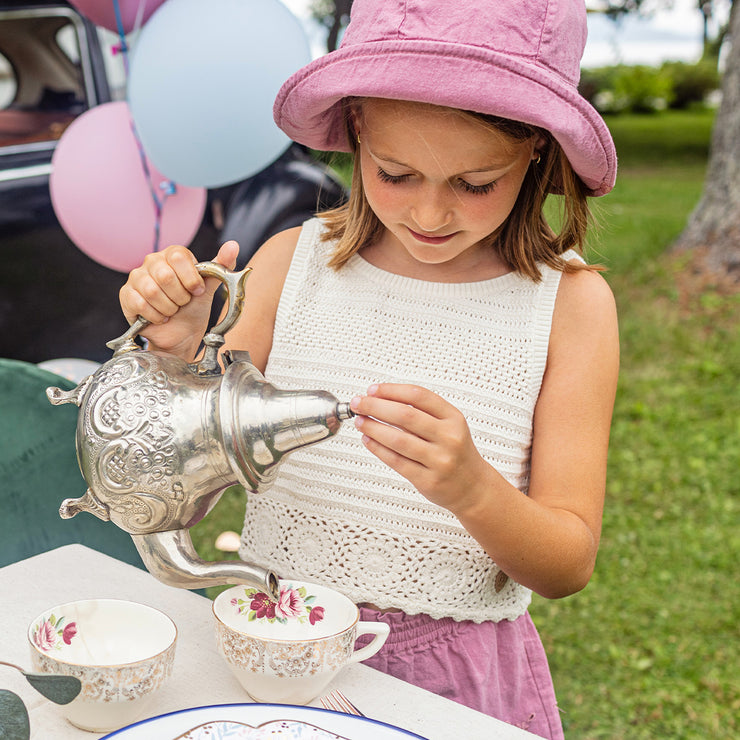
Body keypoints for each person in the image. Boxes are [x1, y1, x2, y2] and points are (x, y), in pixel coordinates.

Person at [120, 1, 619, 736]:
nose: (430, 214)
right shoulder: (291, 266)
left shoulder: (570, 306)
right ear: (357, 131)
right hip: (275, 652)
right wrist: (176, 355)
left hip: (455, 684)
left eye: (475, 183)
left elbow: (566, 565)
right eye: (396, 173)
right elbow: (182, 493)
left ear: (538, 151)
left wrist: (472, 488)